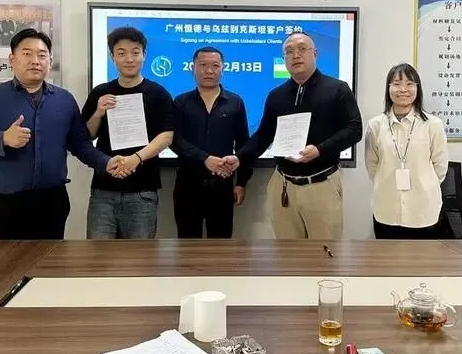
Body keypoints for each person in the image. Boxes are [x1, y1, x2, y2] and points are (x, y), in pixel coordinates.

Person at [0, 28, 121, 241]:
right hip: (5, 203)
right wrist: (2, 139)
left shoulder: (63, 100)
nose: (35, 61)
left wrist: (106, 163)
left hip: (51, 202)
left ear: (50, 61)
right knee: (2, 261)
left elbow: (79, 143)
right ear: (12, 59)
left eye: (42, 55)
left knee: (49, 261)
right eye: (27, 53)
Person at [221, 31, 362, 240]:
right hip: (282, 185)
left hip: (321, 184)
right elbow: (263, 136)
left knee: (324, 253)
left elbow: (354, 129)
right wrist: (240, 157)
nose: (295, 55)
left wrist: (319, 150)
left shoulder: (337, 89)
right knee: (286, 254)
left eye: (302, 49)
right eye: (289, 51)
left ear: (315, 53)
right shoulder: (276, 95)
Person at [81, 26, 174, 239]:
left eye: (135, 52)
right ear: (112, 57)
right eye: (121, 53)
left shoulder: (158, 93)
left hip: (142, 191)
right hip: (104, 190)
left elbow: (166, 136)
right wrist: (98, 113)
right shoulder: (101, 92)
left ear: (144, 55)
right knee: (98, 253)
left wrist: (135, 159)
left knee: (139, 256)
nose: (129, 59)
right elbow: (88, 135)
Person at [170, 47, 252, 238]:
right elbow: (175, 140)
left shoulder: (235, 102)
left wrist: (241, 182)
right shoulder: (181, 102)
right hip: (187, 185)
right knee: (187, 245)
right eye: (203, 65)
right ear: (193, 68)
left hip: (222, 185)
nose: (209, 71)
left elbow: (243, 144)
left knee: (221, 245)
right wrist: (205, 159)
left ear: (223, 69)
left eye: (215, 66)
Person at [364, 63, 449, 239]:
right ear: (388, 88)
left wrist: (424, 186)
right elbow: (372, 165)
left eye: (409, 84)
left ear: (418, 88)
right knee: (388, 257)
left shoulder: (433, 125)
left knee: (424, 257)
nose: (403, 89)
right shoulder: (375, 125)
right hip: (386, 210)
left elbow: (440, 167)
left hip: (423, 211)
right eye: (396, 84)